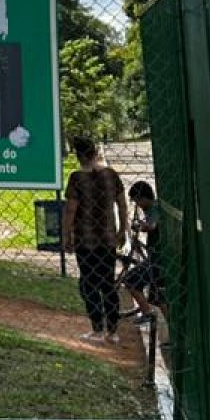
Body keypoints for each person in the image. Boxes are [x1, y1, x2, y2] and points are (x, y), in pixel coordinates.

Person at [61, 135, 128, 343]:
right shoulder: (110, 175)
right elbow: (122, 204)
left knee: (88, 284)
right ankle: (113, 331)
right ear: (95, 152)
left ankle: (97, 328)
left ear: (78, 155)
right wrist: (122, 229)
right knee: (108, 283)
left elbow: (71, 210)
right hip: (107, 238)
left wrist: (66, 234)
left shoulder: (77, 178)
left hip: (86, 239)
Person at [120, 180, 164, 324]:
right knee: (158, 298)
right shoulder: (150, 208)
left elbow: (152, 226)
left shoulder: (154, 208)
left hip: (158, 258)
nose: (137, 205)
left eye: (138, 201)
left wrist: (142, 226)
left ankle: (147, 313)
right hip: (156, 255)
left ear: (144, 198)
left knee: (130, 280)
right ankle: (177, 335)